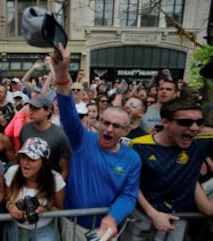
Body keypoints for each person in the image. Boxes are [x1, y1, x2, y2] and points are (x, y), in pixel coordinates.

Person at [50, 43, 141, 238]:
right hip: (72, 224)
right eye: (105, 123)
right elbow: (68, 113)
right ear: (98, 122)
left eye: (116, 126)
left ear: (126, 130)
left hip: (105, 230)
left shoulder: (132, 159)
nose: (109, 129)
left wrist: (113, 217)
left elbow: (128, 195)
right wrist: (61, 75)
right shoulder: (82, 139)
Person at [120, 98, 213, 241]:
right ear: (165, 122)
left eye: (199, 122)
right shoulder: (138, 146)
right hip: (141, 223)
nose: (194, 128)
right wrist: (153, 214)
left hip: (178, 222)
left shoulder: (201, 142)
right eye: (185, 122)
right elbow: (129, 183)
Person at [5, 137, 65, 241]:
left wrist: (45, 209)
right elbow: (8, 199)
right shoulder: (12, 172)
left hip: (45, 231)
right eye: (23, 157)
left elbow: (59, 208)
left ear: (43, 162)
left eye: (32, 159)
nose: (25, 163)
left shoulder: (55, 178)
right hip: (16, 229)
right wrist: (11, 207)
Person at [19, 94, 71, 180]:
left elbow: (65, 169)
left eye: (35, 109)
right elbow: (21, 156)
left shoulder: (60, 135)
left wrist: (55, 189)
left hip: (49, 183)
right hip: (27, 182)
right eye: (30, 108)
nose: (31, 112)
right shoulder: (25, 128)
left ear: (48, 111)